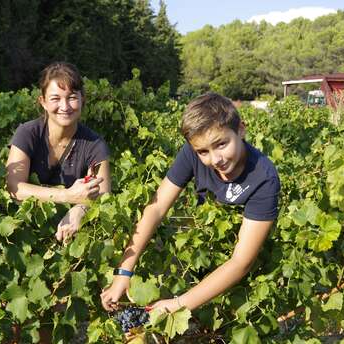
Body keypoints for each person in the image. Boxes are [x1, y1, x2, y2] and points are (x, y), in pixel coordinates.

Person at [101, 92, 280, 313]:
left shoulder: (264, 178)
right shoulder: (192, 152)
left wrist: (178, 304)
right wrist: (124, 272)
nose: (215, 159)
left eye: (221, 144)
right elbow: (157, 207)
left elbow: (241, 262)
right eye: (203, 152)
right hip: (199, 252)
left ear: (241, 130)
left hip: (241, 276)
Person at [6, 62, 111, 243]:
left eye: (71, 97)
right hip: (23, 233)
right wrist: (67, 196)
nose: (65, 106)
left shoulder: (95, 145)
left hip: (70, 239)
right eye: (55, 98)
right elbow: (14, 187)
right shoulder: (27, 133)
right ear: (43, 102)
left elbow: (103, 196)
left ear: (82, 99)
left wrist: (80, 210)